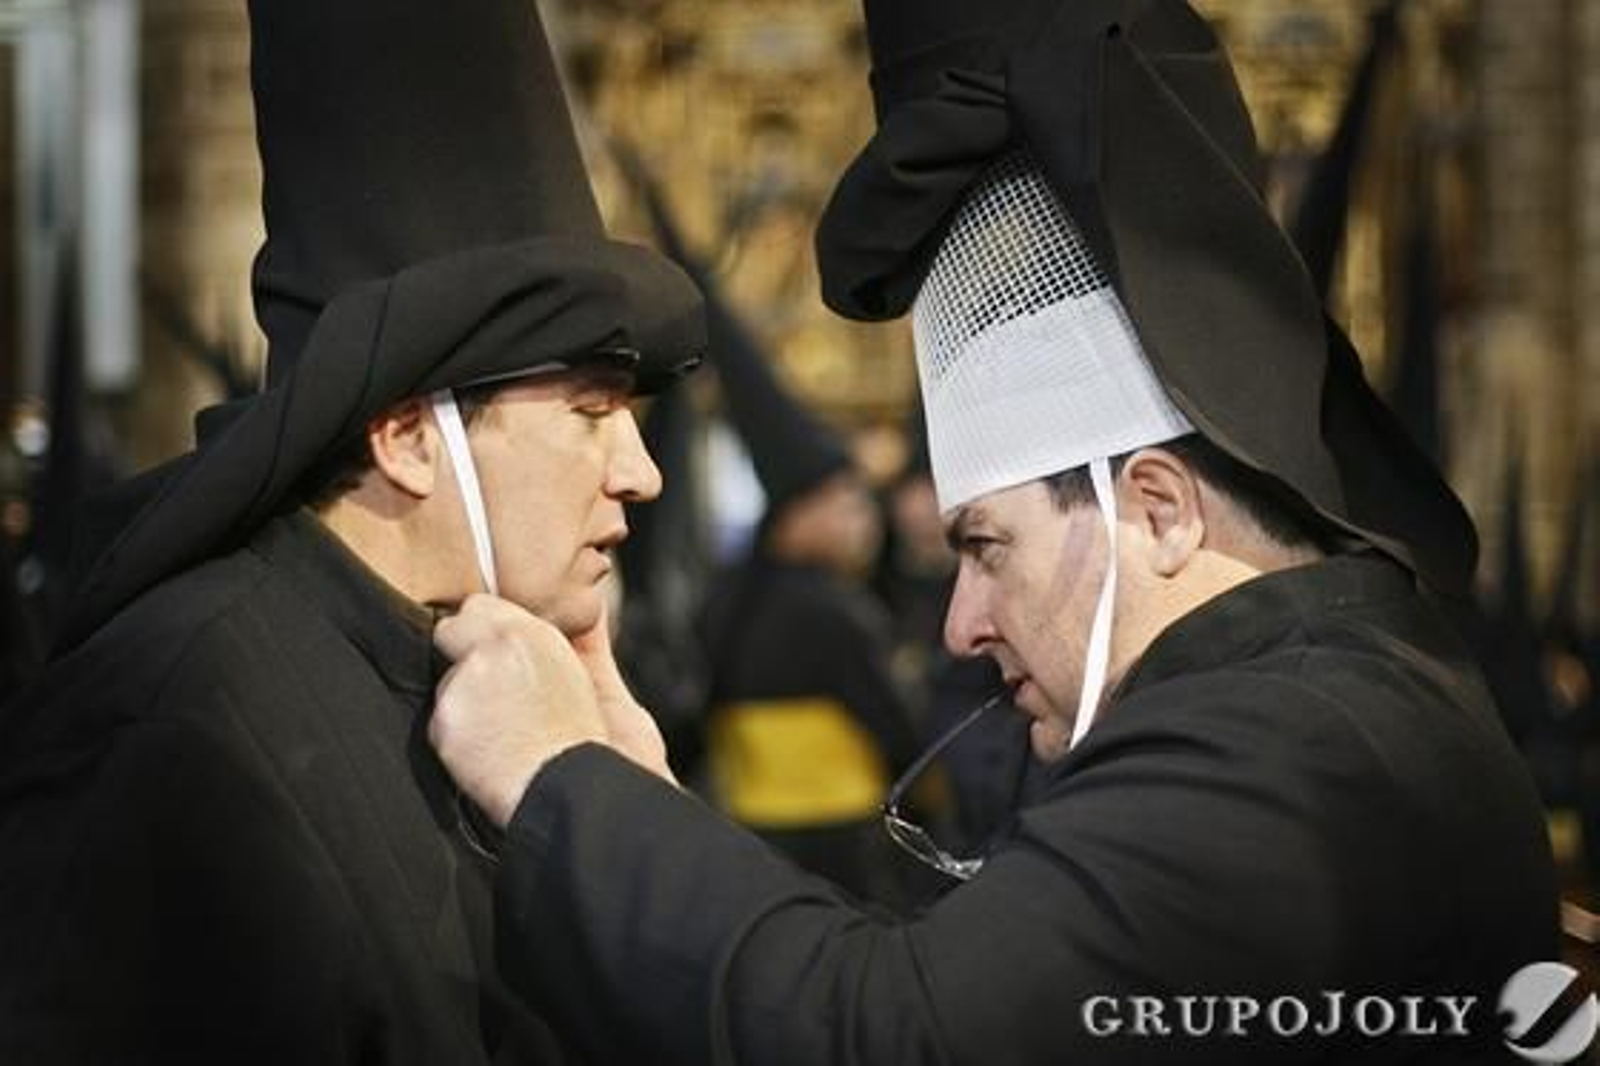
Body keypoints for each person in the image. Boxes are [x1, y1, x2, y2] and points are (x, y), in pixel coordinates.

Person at [428, 1, 1559, 1062]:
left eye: (984, 546)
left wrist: (557, 777)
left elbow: (898, 1032)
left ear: (1156, 509)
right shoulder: (1313, 689)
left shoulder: (1276, 749)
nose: (960, 623)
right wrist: (642, 801)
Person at [0, 0, 702, 1062]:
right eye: (591, 411)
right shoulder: (173, 722)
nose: (641, 473)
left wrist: (624, 828)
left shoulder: (486, 666)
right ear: (409, 436)